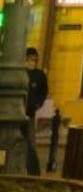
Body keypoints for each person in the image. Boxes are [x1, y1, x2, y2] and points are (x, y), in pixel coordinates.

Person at [23, 46, 49, 176]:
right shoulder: (20, 73)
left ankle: (34, 173)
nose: (31, 61)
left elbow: (44, 91)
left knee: (30, 143)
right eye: (29, 59)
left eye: (33, 59)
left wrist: (38, 104)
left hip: (29, 114)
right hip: (15, 111)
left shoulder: (39, 75)